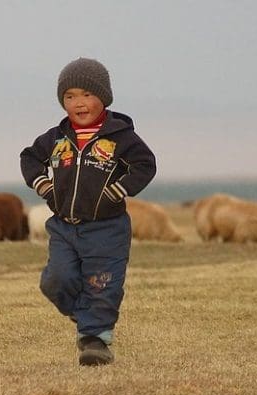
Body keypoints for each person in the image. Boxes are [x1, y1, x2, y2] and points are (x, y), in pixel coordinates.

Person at [20, 57, 157, 366]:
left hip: (107, 229)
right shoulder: (56, 138)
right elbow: (29, 158)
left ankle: (95, 342)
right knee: (55, 280)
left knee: (101, 283)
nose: (78, 103)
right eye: (69, 96)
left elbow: (145, 165)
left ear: (103, 97)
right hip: (64, 227)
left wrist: (119, 190)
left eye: (86, 94)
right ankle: (82, 314)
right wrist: (43, 185)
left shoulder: (121, 136)